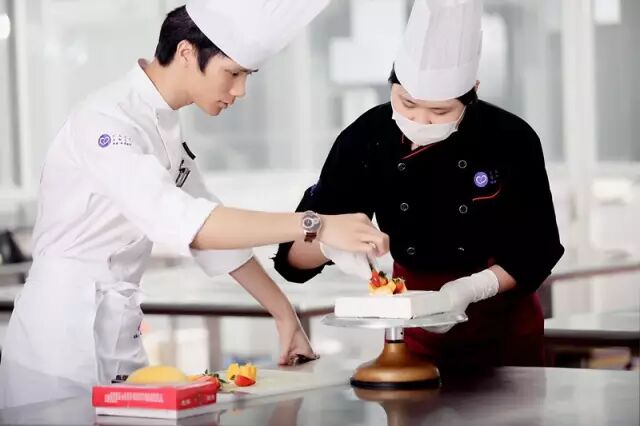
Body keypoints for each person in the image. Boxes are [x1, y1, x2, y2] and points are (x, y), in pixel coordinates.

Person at [0, 0, 390, 408]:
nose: (240, 91)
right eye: (233, 73)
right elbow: (189, 223)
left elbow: (210, 222)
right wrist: (316, 224)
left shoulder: (165, 127)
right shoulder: (107, 123)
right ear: (186, 52)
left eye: (247, 75)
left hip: (118, 335)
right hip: (58, 347)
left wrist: (283, 313)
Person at [274, 0, 564, 371]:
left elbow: (538, 249)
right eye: (407, 103)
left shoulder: (510, 138)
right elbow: (293, 261)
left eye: (440, 111)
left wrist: (469, 290)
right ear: (392, 84)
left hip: (504, 328)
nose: (420, 121)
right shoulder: (366, 138)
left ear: (473, 91)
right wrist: (330, 243)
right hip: (411, 326)